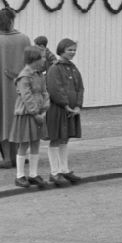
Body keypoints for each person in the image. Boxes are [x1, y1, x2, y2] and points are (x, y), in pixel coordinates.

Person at [0, 9, 32, 168]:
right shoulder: (24, 38)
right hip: (20, 86)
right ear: (12, 21)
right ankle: (19, 156)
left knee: (1, 120)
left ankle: (7, 159)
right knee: (19, 119)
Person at [10, 45, 51, 189]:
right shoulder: (24, 76)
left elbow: (45, 92)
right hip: (27, 114)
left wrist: (44, 109)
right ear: (34, 59)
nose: (45, 60)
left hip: (38, 113)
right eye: (43, 57)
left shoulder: (39, 74)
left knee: (35, 143)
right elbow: (26, 96)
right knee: (24, 144)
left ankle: (33, 174)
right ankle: (20, 175)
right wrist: (35, 113)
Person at [45, 38, 83, 186]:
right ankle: (55, 172)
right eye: (70, 50)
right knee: (56, 138)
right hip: (59, 110)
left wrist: (78, 105)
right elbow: (55, 89)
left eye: (74, 50)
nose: (73, 52)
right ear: (61, 50)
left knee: (65, 138)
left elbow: (80, 87)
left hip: (72, 110)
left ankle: (64, 169)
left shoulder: (73, 68)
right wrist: (66, 105)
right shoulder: (55, 68)